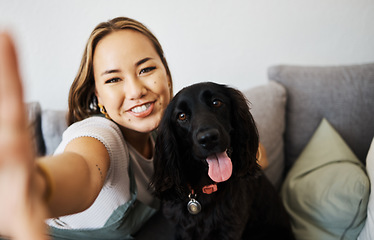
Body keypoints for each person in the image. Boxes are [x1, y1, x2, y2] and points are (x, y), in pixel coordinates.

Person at [0, 17, 268, 240]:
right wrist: (36, 184)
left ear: (167, 74)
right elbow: (83, 170)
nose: (136, 91)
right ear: (98, 97)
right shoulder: (100, 135)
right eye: (114, 79)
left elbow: (258, 156)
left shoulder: (169, 132)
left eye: (146, 69)